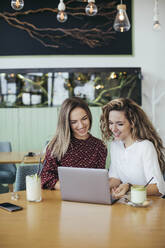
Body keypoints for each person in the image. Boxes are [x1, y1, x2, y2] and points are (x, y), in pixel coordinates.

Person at [100, 98, 165, 198]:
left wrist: (129, 187)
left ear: (132, 123)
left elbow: (158, 188)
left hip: (148, 204)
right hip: (127, 202)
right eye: (111, 123)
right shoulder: (115, 145)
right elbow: (115, 177)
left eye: (120, 124)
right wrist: (98, 187)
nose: (113, 129)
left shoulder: (145, 146)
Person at [41, 97, 107, 190]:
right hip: (61, 198)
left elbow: (99, 179)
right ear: (66, 123)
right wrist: (73, 188)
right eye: (74, 122)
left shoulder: (100, 146)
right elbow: (46, 178)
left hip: (90, 197)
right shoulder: (57, 145)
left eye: (84, 118)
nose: (81, 125)